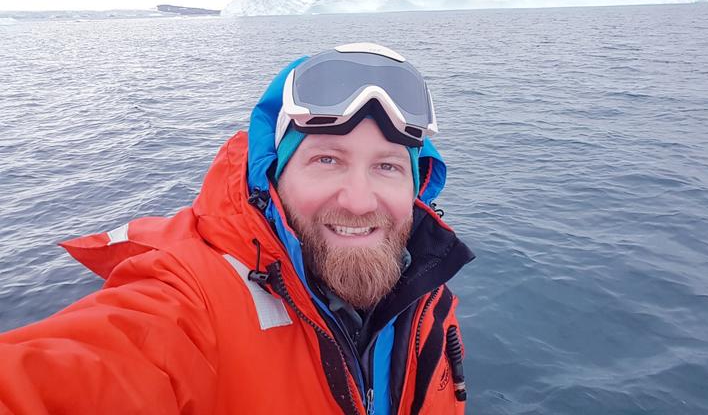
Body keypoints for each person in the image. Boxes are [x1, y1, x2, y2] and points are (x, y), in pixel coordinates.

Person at [0, 42, 474, 415]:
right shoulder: (194, 300)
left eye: (388, 166)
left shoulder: (425, 293)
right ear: (272, 177)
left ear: (417, 185)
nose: (357, 198)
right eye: (326, 159)